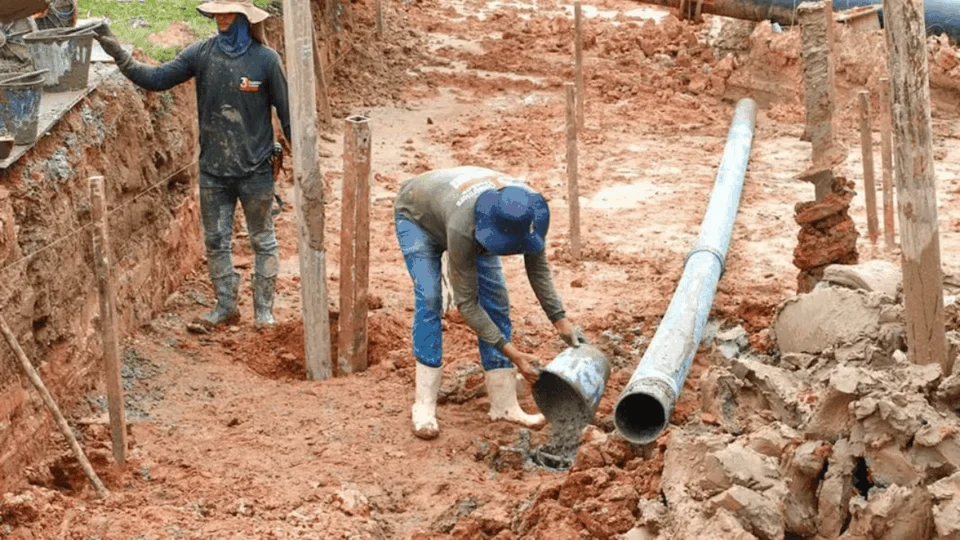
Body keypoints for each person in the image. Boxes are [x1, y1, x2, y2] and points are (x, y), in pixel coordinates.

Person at [92, 0, 291, 331]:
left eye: (228, 13)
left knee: (263, 240)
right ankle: (225, 306)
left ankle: (264, 312)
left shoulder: (266, 61)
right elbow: (155, 79)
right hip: (213, 171)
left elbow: (288, 113)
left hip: (256, 170)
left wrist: (305, 165)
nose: (221, 19)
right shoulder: (202, 54)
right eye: (217, 13)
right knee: (215, 240)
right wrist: (118, 52)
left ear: (245, 18)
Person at [394, 166, 585, 440]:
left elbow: (538, 269)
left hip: (459, 211)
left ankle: (504, 405)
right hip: (418, 216)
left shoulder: (526, 211)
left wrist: (560, 320)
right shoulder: (466, 227)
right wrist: (515, 355)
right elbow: (467, 304)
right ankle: (424, 404)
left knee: (497, 300)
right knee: (430, 297)